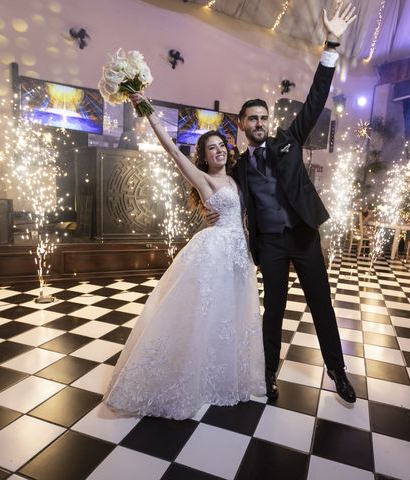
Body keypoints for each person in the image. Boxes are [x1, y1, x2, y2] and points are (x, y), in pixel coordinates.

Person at [208, 1, 358, 403]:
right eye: (251, 119)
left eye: (263, 118)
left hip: (304, 236)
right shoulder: (236, 167)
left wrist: (332, 42)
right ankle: (267, 375)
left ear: (269, 122)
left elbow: (315, 98)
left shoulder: (289, 141)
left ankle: (338, 373)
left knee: (322, 306)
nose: (258, 123)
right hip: (270, 244)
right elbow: (215, 191)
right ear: (241, 125)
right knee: (272, 311)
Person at [103, 106, 265, 420]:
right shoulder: (204, 180)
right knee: (204, 315)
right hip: (215, 250)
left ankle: (221, 376)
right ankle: (188, 379)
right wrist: (146, 109)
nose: (218, 151)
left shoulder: (235, 179)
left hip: (238, 252)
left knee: (230, 317)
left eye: (221, 146)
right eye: (211, 148)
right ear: (204, 156)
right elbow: (174, 152)